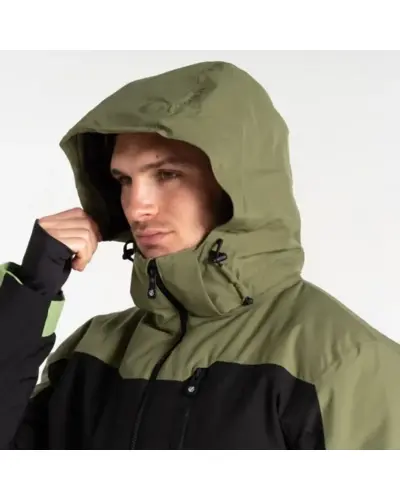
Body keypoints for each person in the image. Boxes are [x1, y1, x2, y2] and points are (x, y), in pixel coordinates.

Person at [1, 60, 399, 450]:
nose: (136, 208)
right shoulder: (93, 351)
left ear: (236, 184)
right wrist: (30, 292)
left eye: (167, 175)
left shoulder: (346, 362)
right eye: (124, 180)